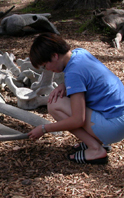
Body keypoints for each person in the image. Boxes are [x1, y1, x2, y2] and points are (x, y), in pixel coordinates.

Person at [27, 32, 124, 165]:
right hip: (119, 118)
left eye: (45, 65)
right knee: (63, 99)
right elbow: (88, 77)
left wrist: (44, 128)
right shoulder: (79, 53)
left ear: (54, 56)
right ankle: (97, 141)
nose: (47, 69)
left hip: (113, 127)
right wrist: (64, 84)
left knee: (55, 104)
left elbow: (78, 120)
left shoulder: (73, 73)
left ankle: (96, 149)